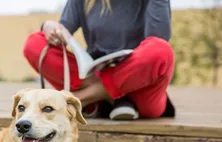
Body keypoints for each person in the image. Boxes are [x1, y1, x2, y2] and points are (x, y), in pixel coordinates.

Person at [22, 0, 176, 120]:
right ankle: (106, 95)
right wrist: (49, 26)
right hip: (94, 74)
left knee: (161, 50)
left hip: (140, 90)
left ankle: (79, 99)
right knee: (34, 43)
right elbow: (62, 32)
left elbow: (158, 39)